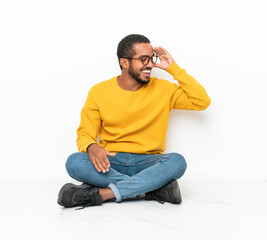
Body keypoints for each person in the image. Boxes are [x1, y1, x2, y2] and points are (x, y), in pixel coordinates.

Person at [57, 34, 211, 209]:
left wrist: (174, 68)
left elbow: (202, 101)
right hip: (110, 162)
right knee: (75, 162)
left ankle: (104, 194)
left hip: (147, 163)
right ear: (124, 62)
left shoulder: (164, 89)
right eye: (143, 59)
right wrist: (92, 147)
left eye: (151, 59)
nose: (151, 64)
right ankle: (151, 189)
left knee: (177, 162)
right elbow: (85, 133)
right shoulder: (99, 91)